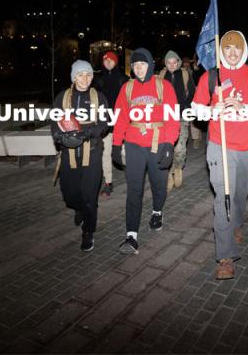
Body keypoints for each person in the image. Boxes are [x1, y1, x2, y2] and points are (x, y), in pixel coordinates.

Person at [192, 30, 248, 280]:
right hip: (220, 145)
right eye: (228, 48)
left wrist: (243, 107)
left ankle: (236, 221)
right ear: (221, 51)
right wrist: (211, 110)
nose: (233, 52)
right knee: (223, 195)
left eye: (237, 47)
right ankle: (225, 256)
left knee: (239, 192)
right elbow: (196, 110)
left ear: (244, 50)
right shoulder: (211, 77)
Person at [112, 48, 180, 254]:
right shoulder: (127, 88)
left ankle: (157, 211)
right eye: (135, 65)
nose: (139, 68)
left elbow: (172, 117)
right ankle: (131, 235)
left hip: (158, 142)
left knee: (159, 185)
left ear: (150, 64)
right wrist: (116, 144)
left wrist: (169, 144)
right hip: (134, 144)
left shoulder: (164, 86)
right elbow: (120, 117)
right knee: (134, 190)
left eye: (142, 64)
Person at [51, 60, 108, 252]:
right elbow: (55, 121)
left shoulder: (98, 97)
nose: (85, 79)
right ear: (74, 77)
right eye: (81, 75)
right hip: (69, 154)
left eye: (89, 75)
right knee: (70, 195)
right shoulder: (63, 97)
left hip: (91, 152)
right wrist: (59, 137)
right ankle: (79, 207)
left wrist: (89, 133)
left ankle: (88, 231)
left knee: (90, 196)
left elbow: (105, 122)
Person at [160, 50, 197, 191]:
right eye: (169, 62)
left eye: (174, 62)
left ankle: (178, 168)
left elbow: (192, 93)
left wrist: (187, 107)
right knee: (167, 147)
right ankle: (169, 174)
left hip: (181, 115)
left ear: (178, 63)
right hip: (165, 117)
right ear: (166, 64)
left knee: (180, 147)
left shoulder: (185, 74)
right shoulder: (161, 76)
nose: (172, 65)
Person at [93, 51, 128, 197]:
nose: (108, 62)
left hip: (122, 122)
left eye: (111, 60)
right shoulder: (97, 80)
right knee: (105, 154)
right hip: (105, 123)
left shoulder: (123, 79)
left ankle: (133, 176)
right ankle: (108, 182)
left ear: (115, 62)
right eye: (106, 60)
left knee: (125, 154)